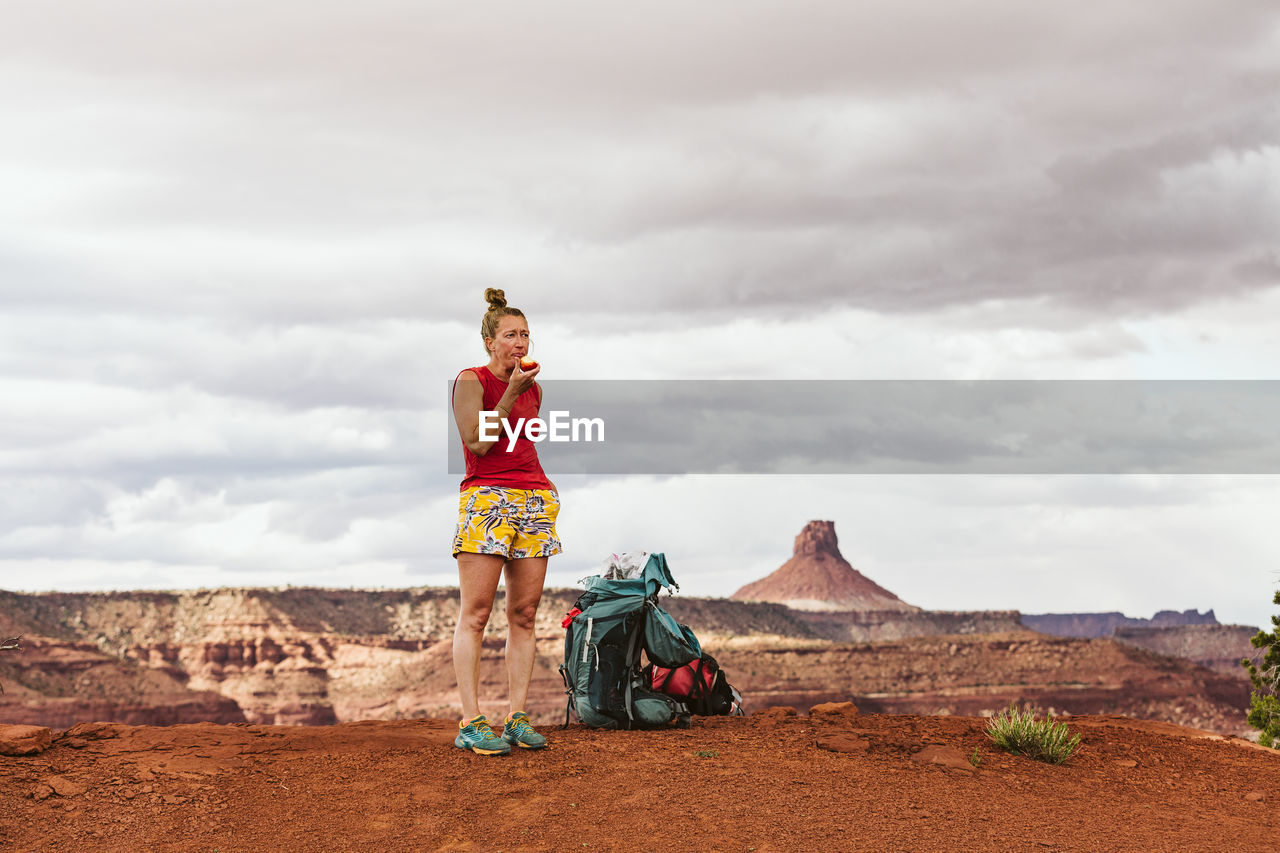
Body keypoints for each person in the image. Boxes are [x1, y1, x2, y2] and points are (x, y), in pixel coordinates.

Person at [449, 288, 561, 755]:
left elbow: (522, 442)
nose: (521, 342)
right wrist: (510, 389)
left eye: (526, 334)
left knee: (525, 613)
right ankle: (472, 721)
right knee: (476, 613)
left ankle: (516, 716)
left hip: (533, 498)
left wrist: (543, 492)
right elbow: (477, 444)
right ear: (490, 342)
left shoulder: (533, 387)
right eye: (511, 334)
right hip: (487, 498)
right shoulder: (471, 380)